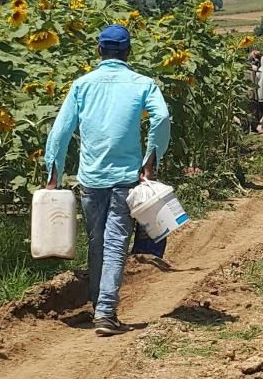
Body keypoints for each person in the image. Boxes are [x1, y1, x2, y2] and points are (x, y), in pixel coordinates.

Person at [44, 24, 170, 336]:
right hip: (126, 178)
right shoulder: (143, 84)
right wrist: (151, 158)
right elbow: (162, 118)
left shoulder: (81, 85)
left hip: (91, 178)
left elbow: (60, 131)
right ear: (128, 52)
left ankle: (97, 302)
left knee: (96, 240)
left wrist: (54, 172)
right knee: (116, 241)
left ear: (99, 51)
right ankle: (105, 311)